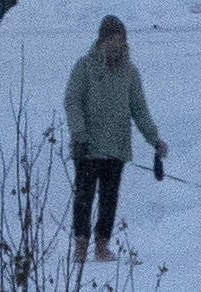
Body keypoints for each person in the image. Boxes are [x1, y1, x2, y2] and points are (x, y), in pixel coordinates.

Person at [62, 14, 166, 262]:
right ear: (102, 40)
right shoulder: (85, 66)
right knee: (84, 196)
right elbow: (72, 100)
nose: (118, 44)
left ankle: (102, 245)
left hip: (116, 147)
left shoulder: (130, 73)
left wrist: (155, 140)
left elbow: (139, 110)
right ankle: (81, 244)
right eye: (113, 39)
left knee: (109, 198)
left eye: (122, 39)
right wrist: (79, 133)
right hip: (87, 146)